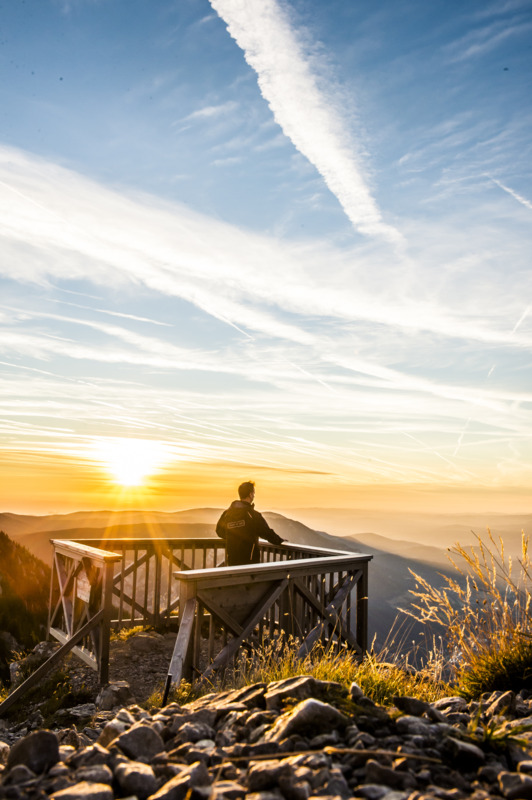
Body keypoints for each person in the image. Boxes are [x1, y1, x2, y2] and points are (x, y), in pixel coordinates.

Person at [216, 481, 285, 566]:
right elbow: (266, 532)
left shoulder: (227, 514)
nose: (254, 495)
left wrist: (234, 537)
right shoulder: (253, 515)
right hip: (250, 563)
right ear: (250, 494)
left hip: (232, 562)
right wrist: (280, 540)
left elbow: (219, 531)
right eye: (253, 493)